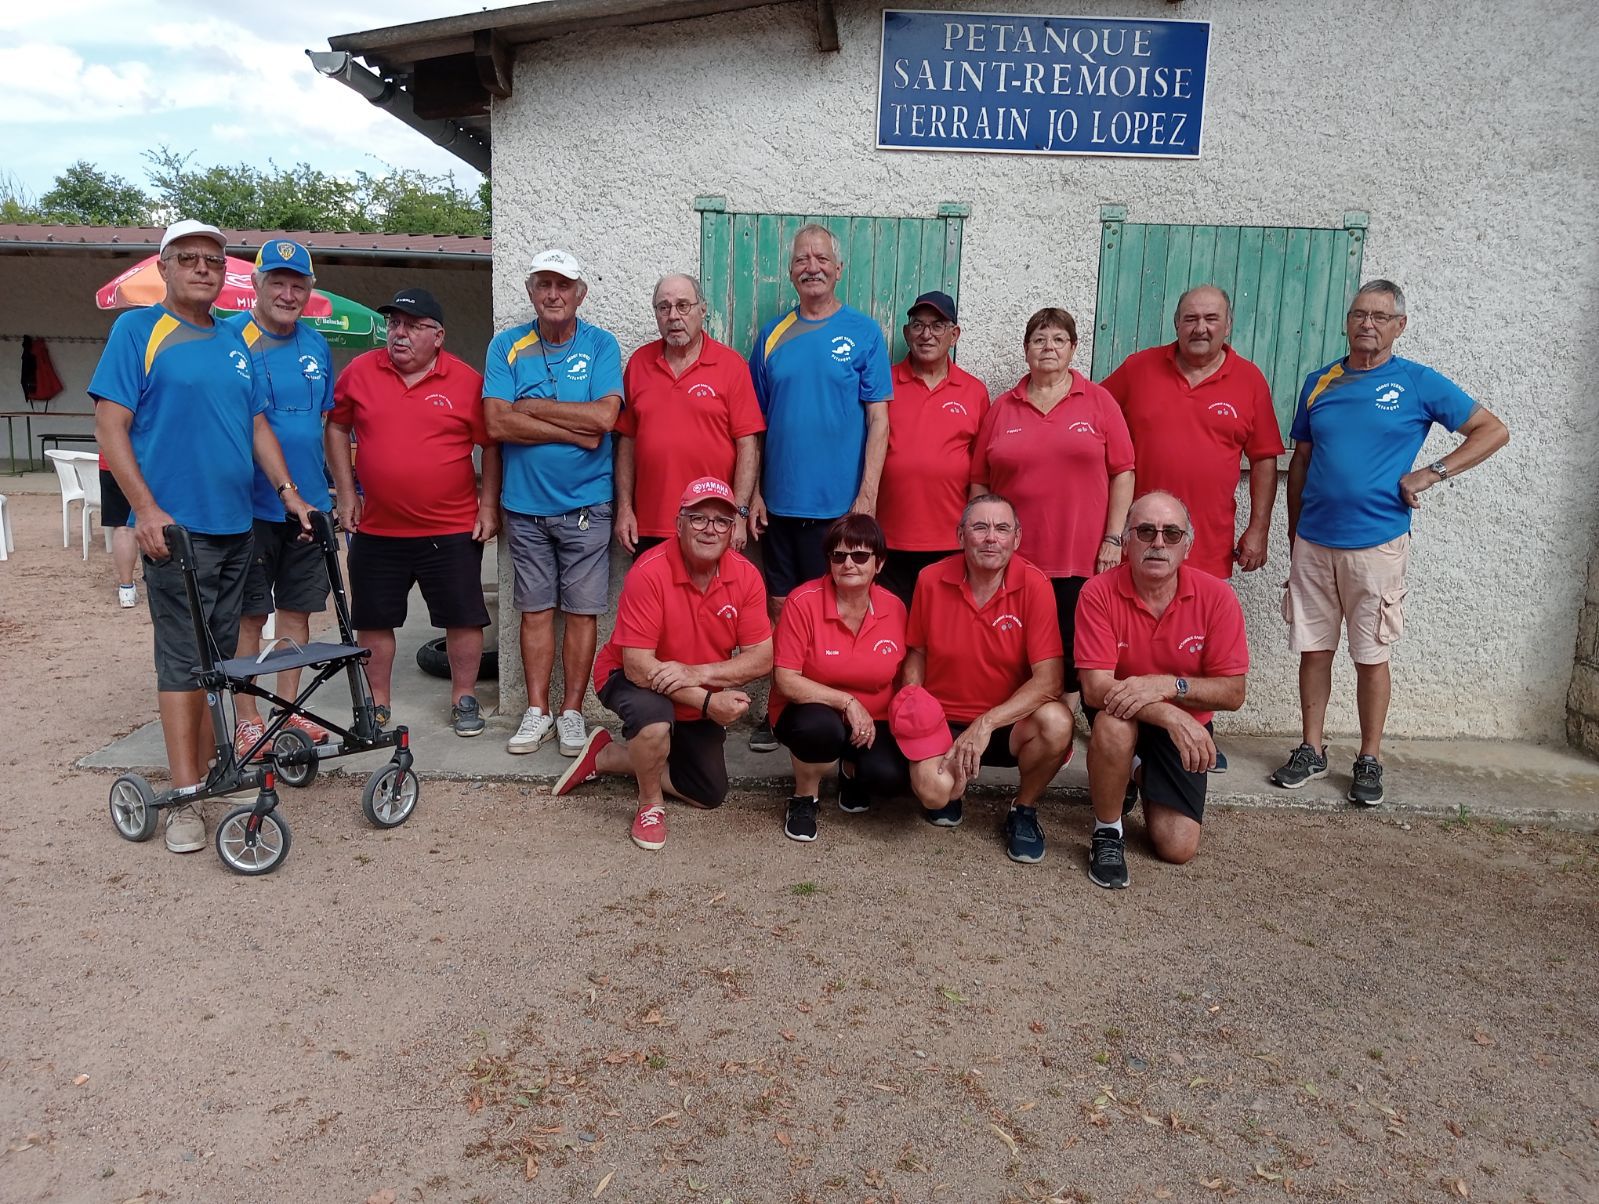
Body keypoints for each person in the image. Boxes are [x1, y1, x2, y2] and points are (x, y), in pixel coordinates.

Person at [91, 219, 313, 854]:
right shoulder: (139, 330)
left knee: (223, 659)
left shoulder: (235, 340)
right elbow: (111, 426)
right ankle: (186, 794)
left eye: (213, 261)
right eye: (187, 259)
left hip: (236, 526)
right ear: (164, 267)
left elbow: (255, 425)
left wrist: (289, 492)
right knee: (184, 662)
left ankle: (221, 772)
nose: (202, 269)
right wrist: (146, 509)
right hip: (177, 531)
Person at [1271, 280, 1508, 804]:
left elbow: (1492, 430)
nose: (1368, 324)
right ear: (1347, 321)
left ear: (1400, 326)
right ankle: (1311, 748)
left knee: (1370, 654)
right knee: (1313, 649)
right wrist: (1292, 533)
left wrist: (1432, 473)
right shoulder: (1320, 382)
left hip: (1376, 543)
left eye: (1380, 315)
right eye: (1359, 314)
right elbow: (1302, 462)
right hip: (1314, 542)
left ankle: (1369, 756)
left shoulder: (1417, 383)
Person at [1101, 284, 1283, 774]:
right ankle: (1127, 732)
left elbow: (1265, 458)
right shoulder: (1139, 369)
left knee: (1195, 635)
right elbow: (1094, 416)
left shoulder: (1248, 380)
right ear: (1175, 323)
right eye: (1190, 319)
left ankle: (1196, 728)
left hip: (1205, 539)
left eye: (1211, 319)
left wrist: (1258, 528)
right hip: (1138, 538)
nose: (1200, 328)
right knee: (1134, 629)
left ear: (1227, 324)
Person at [554, 477, 772, 851]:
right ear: (679, 523)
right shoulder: (649, 571)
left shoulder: (746, 576)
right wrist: (706, 701)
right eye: (698, 518)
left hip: (689, 684)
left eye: (721, 521)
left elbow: (763, 657)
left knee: (708, 792)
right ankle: (649, 804)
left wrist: (699, 674)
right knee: (654, 723)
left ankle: (608, 756)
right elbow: (638, 667)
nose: (710, 529)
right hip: (627, 676)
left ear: (732, 529)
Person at [326, 288, 500, 737]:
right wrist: (346, 494)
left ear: (437, 336)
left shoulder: (465, 381)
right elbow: (337, 425)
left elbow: (491, 445)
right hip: (378, 527)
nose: (399, 334)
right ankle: (377, 703)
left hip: (451, 527)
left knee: (463, 616)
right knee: (373, 618)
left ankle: (464, 698)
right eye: (394, 324)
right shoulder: (361, 371)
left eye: (412, 325)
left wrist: (487, 506)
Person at [746, 224, 893, 752]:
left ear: (838, 268)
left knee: (837, 611)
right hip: (781, 504)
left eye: (821, 257)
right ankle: (780, 712)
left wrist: (867, 495)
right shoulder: (771, 336)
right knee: (784, 611)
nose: (811, 265)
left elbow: (879, 420)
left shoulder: (864, 332)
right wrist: (754, 492)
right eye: (801, 258)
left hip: (839, 509)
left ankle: (842, 714)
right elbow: (755, 425)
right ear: (791, 270)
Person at [484, 249, 623, 758]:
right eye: (544, 284)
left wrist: (535, 408)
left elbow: (605, 419)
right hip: (525, 506)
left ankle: (571, 713)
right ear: (530, 291)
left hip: (588, 504)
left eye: (563, 285)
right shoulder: (507, 346)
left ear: (579, 293)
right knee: (535, 610)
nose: (553, 294)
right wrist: (575, 428)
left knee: (582, 613)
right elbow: (498, 423)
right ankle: (537, 710)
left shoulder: (601, 344)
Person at [1076, 491, 1250, 889]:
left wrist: (1168, 686)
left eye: (1172, 533)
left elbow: (1233, 692)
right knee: (1113, 726)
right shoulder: (1098, 592)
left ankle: (1135, 772)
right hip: (1126, 712)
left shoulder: (1217, 597)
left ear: (1188, 545)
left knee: (1177, 847)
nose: (1158, 542)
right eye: (1146, 531)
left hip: (1187, 724)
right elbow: (1095, 688)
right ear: (1125, 541)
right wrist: (1170, 713)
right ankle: (1107, 831)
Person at [971, 307, 1134, 713]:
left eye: (1059, 339)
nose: (1048, 347)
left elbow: (1123, 472)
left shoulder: (1099, 402)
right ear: (1026, 349)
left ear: (1073, 348)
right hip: (1014, 559)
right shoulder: (1002, 408)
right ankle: (1025, 722)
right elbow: (980, 481)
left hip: (1079, 556)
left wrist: (1114, 539)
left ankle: (1063, 728)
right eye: (1039, 340)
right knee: (1018, 645)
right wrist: (981, 537)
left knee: (1074, 647)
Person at [901, 494, 1074, 864]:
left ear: (1017, 538)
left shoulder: (1035, 584)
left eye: (1001, 528)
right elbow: (916, 652)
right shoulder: (930, 579)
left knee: (1058, 723)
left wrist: (986, 723)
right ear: (961, 534)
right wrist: (915, 702)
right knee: (934, 795)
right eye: (979, 527)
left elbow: (1050, 680)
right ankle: (954, 790)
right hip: (943, 724)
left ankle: (1023, 809)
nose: (990, 537)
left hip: (1007, 725)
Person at [225, 240, 337, 757]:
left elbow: (325, 422)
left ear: (309, 291)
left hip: (309, 504)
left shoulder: (316, 343)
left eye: (298, 284)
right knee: (250, 614)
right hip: (249, 505)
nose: (288, 293)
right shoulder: (231, 338)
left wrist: (341, 489)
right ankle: (246, 719)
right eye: (278, 282)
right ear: (257, 284)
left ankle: (287, 714)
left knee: (298, 612)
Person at [771, 514, 908, 842]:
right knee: (821, 729)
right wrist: (846, 702)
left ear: (879, 563)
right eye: (839, 555)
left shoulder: (896, 608)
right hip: (811, 710)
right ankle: (805, 797)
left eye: (860, 556)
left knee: (891, 778)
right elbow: (786, 679)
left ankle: (850, 771)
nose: (849, 563)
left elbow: (902, 677)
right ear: (829, 561)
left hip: (873, 719)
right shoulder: (802, 602)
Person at [616, 273, 764, 560]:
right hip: (651, 523)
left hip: (714, 525)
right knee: (655, 604)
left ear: (702, 310)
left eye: (683, 306)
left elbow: (749, 445)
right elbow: (626, 443)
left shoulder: (731, 365)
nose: (673, 316)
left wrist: (740, 515)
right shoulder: (639, 363)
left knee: (712, 604)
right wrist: (625, 509)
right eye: (664, 307)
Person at [875, 290, 990, 607]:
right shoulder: (882, 383)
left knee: (941, 636)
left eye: (937, 325)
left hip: (949, 542)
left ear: (954, 335)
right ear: (906, 332)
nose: (926, 334)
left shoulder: (974, 392)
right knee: (892, 631)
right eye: (918, 325)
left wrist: (976, 533)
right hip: (888, 540)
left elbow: (981, 472)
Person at [98, 452, 139, 607]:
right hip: (148, 457)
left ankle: (126, 589)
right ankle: (162, 581)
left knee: (123, 527)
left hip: (112, 461)